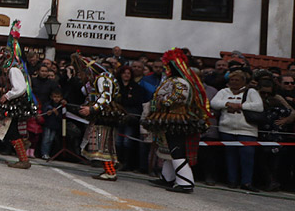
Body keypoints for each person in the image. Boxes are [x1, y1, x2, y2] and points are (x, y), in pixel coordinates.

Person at [143, 48, 210, 194]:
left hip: (176, 119)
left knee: (176, 151)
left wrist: (158, 103)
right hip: (168, 119)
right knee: (168, 149)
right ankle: (167, 178)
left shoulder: (180, 82)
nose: (164, 68)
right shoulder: (172, 80)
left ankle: (185, 182)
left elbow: (178, 97)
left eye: (167, 65)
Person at [209, 69, 263, 191]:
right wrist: (228, 104)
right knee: (230, 156)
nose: (234, 82)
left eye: (237, 80)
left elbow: (259, 106)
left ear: (243, 81)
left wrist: (240, 106)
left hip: (247, 130)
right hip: (227, 129)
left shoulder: (251, 92)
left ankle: (247, 182)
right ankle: (232, 180)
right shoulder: (224, 91)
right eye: (232, 80)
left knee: (247, 157)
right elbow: (214, 103)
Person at [77, 55, 127, 181]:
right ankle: (109, 171)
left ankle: (110, 172)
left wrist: (92, 109)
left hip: (103, 116)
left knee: (103, 143)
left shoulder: (102, 79)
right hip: (101, 115)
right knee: (104, 143)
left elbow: (106, 97)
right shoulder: (99, 79)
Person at [0, 22, 36, 169]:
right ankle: (23, 155)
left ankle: (23, 158)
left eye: (5, 55)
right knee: (12, 130)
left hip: (15, 104)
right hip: (17, 104)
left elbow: (19, 88)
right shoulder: (18, 68)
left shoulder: (14, 69)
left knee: (11, 131)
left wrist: (6, 96)